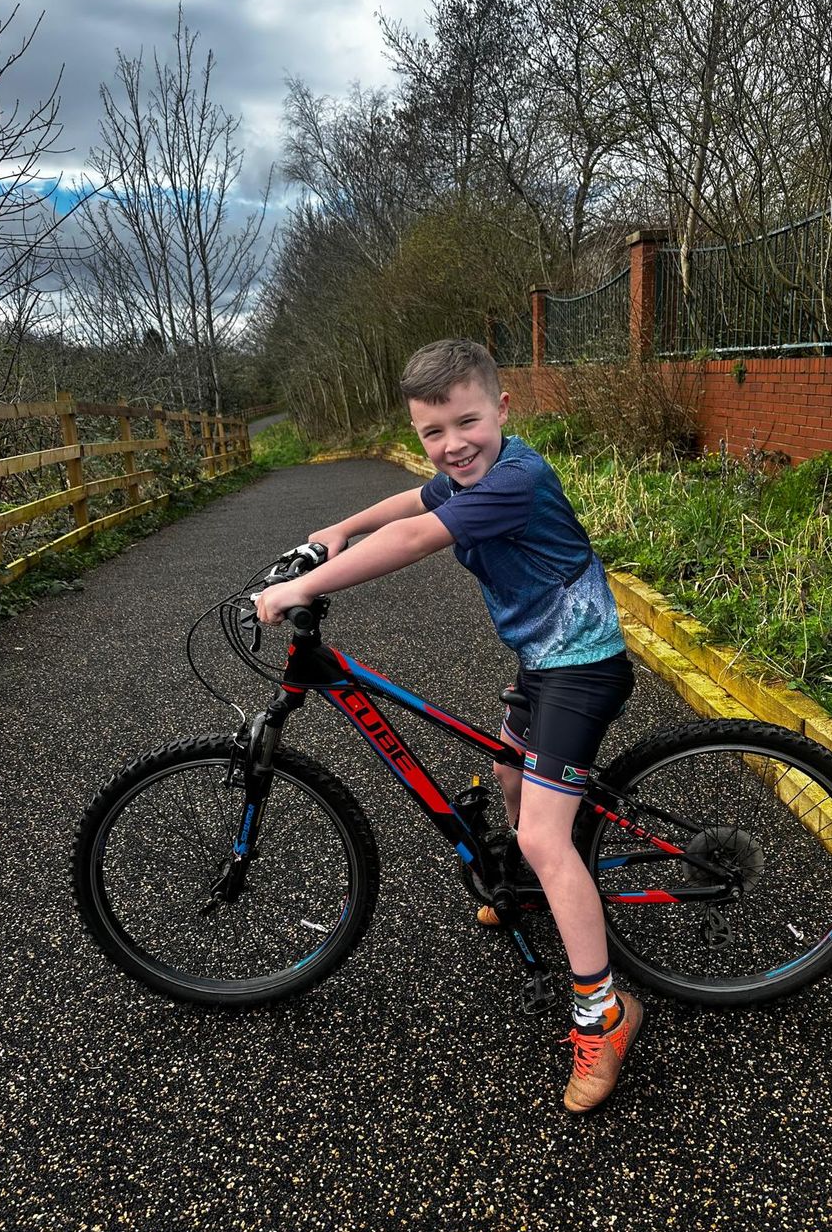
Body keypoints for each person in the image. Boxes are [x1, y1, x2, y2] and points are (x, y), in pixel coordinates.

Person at [255, 338, 642, 1113]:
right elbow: (410, 502)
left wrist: (301, 584)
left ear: (503, 409)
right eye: (433, 432)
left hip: (583, 666)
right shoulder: (470, 471)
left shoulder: (516, 479)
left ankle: (604, 1013)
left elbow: (413, 538)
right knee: (506, 769)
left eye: (467, 422)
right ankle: (533, 887)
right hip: (543, 659)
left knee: (541, 830)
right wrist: (334, 529)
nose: (452, 445)